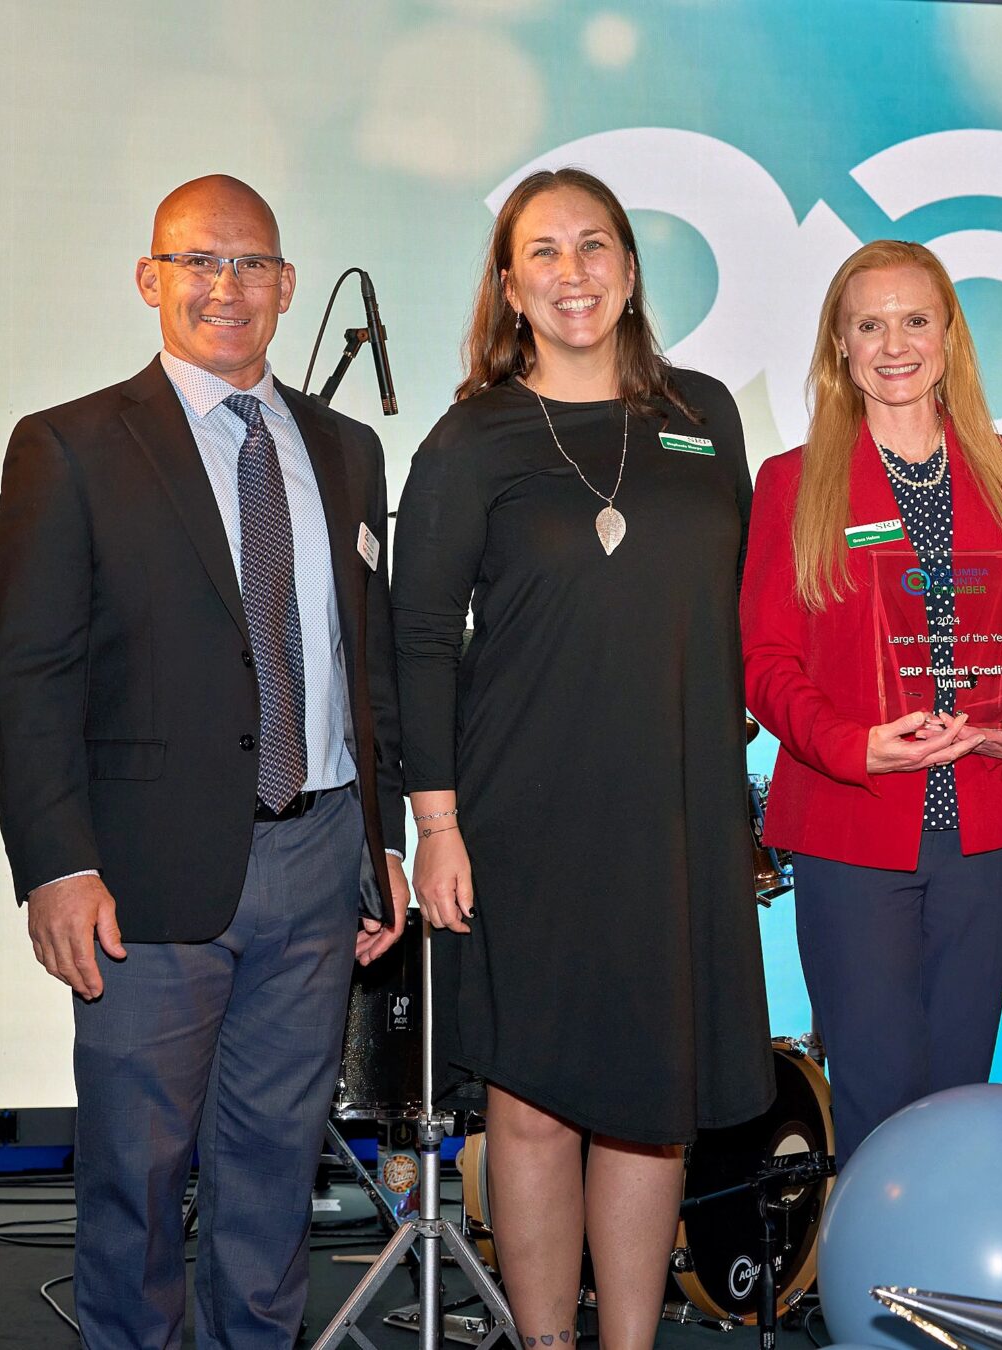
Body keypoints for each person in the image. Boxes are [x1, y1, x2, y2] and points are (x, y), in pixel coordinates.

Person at [0, 175, 409, 1349]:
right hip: (143, 879)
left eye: (252, 265)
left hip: (320, 863)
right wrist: (55, 867)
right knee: (136, 1175)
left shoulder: (348, 452)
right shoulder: (68, 447)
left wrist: (382, 846)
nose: (227, 286)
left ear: (285, 287)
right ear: (149, 278)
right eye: (200, 261)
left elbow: (362, 671)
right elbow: (27, 677)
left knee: (272, 1178)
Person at [394, 168, 772, 1350]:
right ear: (509, 287)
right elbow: (416, 637)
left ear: (627, 268)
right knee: (534, 1104)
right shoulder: (471, 438)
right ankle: (545, 1341)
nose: (573, 271)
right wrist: (438, 825)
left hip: (677, 814)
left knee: (654, 1112)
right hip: (523, 817)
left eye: (594, 245)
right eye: (543, 252)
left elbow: (747, 608)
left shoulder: (705, 413)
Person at [742, 239, 1002, 1165]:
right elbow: (767, 663)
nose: (894, 343)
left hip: (985, 818)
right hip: (853, 820)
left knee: (963, 1084)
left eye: (915, 319)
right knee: (876, 1080)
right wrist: (853, 746)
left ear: (949, 337)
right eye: (869, 324)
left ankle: (942, 1294)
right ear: (840, 347)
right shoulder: (792, 480)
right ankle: (870, 1300)